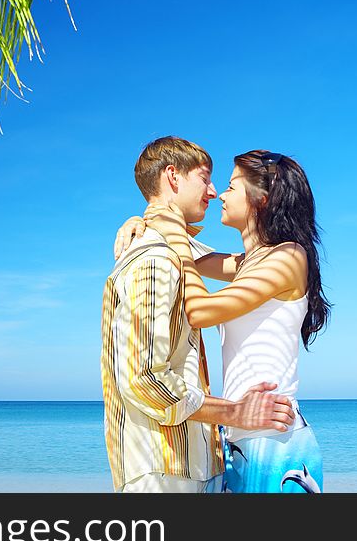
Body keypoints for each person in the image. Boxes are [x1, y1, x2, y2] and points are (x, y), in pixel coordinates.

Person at [115, 149, 330, 493]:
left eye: (231, 186)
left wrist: (170, 229)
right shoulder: (245, 263)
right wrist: (142, 222)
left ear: (262, 198)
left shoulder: (289, 256)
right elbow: (183, 248)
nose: (220, 195)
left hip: (274, 439)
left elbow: (199, 311)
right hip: (237, 441)